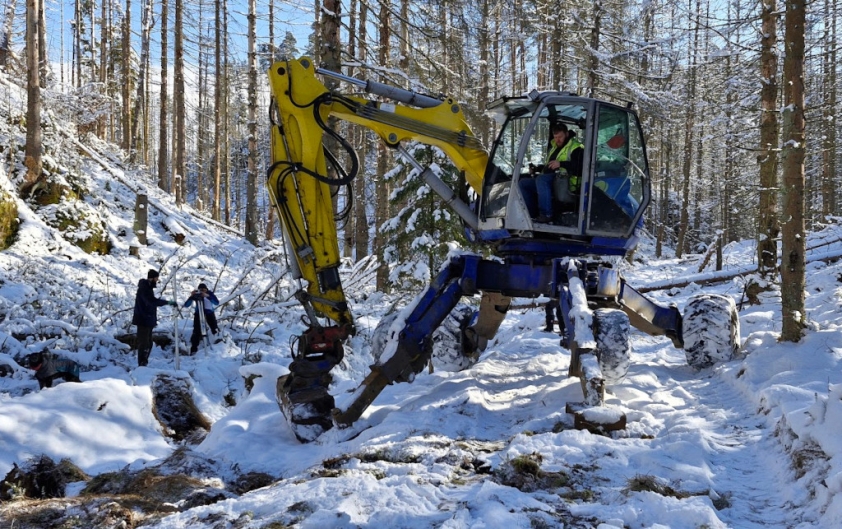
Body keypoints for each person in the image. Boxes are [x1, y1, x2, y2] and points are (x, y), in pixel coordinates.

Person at [519, 122, 584, 223]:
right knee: (523, 183)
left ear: (567, 134)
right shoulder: (554, 147)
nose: (557, 140)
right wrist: (538, 169)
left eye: (560, 137)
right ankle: (531, 215)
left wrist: (561, 164)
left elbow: (580, 168)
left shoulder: (576, 148)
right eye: (556, 137)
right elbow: (550, 166)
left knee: (541, 180)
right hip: (551, 180)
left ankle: (546, 214)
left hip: (566, 182)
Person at [132, 269, 177, 367]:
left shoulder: (148, 288)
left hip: (148, 319)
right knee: (144, 343)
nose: (157, 280)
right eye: (156, 278)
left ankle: (144, 363)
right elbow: (151, 302)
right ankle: (142, 364)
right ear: (151, 278)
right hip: (143, 319)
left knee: (149, 343)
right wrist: (167, 302)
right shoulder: (144, 288)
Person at [183, 283, 220, 354]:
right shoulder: (197, 295)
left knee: (214, 328)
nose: (202, 291)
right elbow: (186, 305)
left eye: (204, 290)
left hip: (209, 313)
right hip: (198, 314)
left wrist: (208, 296)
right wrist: (191, 296)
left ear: (206, 289)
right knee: (196, 331)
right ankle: (194, 349)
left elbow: (216, 302)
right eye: (201, 290)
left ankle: (218, 345)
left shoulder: (210, 294)